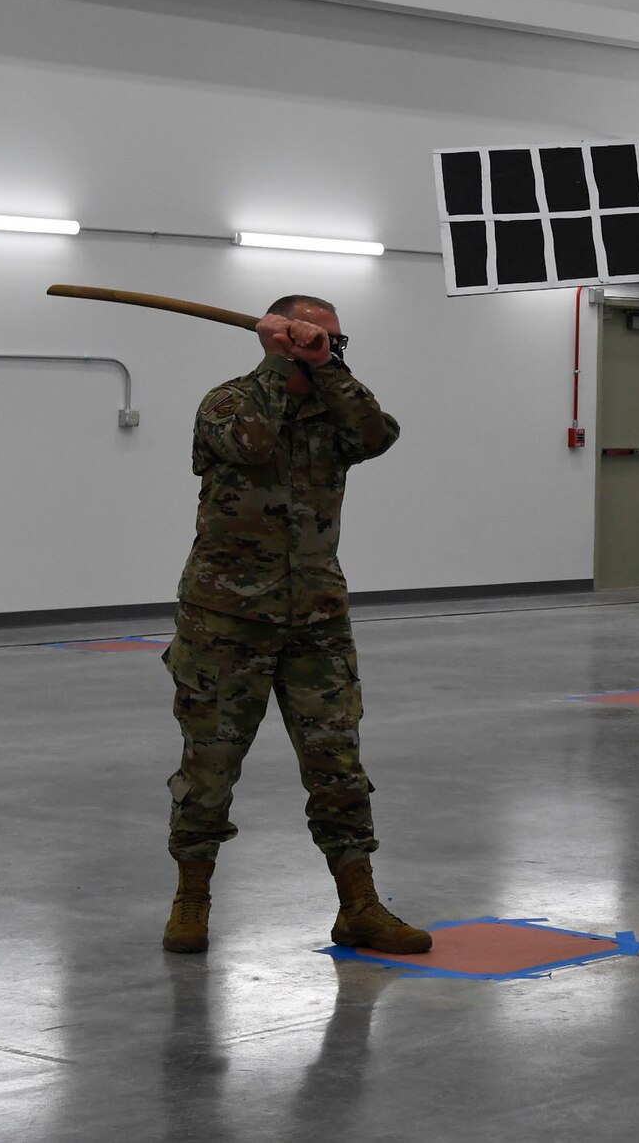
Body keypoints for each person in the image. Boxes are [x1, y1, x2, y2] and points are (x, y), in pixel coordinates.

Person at [160, 294, 431, 956]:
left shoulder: (335, 410)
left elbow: (377, 435)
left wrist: (326, 368)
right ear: (276, 339)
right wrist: (284, 364)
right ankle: (191, 901)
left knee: (338, 767)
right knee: (209, 770)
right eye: (314, 337)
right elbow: (250, 446)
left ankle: (358, 905)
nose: (328, 348)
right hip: (226, 619)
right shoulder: (229, 402)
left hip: (316, 618)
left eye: (337, 340)